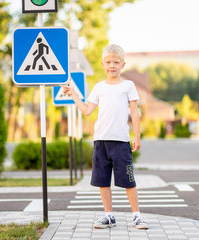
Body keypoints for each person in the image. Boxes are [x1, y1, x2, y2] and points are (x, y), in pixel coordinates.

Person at [62, 44, 148, 230]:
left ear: (123, 64)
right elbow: (87, 110)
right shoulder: (99, 87)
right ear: (102, 64)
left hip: (121, 143)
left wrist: (137, 136)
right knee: (103, 181)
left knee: (128, 180)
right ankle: (109, 216)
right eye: (108, 62)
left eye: (116, 62)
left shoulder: (128, 86)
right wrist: (74, 95)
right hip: (101, 142)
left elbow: (134, 112)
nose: (112, 66)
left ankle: (137, 216)